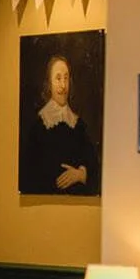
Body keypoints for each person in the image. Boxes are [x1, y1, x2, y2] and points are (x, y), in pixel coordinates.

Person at [18, 54, 100, 195]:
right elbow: (27, 176)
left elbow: (96, 169)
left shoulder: (79, 126)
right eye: (58, 78)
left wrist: (81, 174)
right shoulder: (37, 126)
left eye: (66, 78)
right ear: (49, 83)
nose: (63, 86)